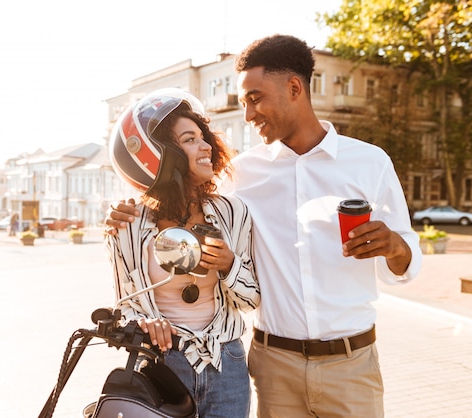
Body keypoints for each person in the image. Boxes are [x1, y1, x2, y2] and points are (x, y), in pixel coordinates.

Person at [105, 35, 422, 418]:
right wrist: (125, 210)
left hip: (351, 364)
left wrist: (396, 248)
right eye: (243, 103)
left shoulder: (369, 162)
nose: (248, 115)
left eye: (255, 99)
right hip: (274, 367)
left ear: (294, 88)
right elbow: (178, 194)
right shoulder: (241, 174)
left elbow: (406, 260)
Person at [105, 88, 260, 418]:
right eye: (190, 140)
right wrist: (146, 321)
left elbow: (250, 300)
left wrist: (229, 264)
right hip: (162, 365)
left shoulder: (233, 212)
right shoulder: (127, 225)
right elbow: (125, 306)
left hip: (227, 364)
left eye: (203, 137)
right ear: (162, 154)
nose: (206, 145)